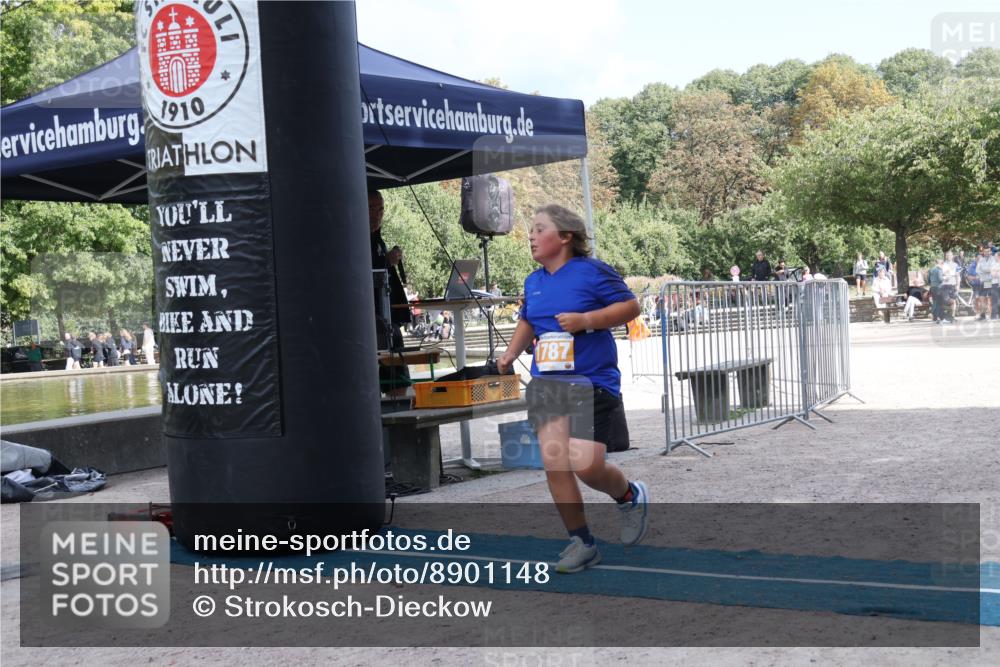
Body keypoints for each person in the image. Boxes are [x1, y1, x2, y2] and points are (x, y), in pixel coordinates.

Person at [496, 204, 648, 574]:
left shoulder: (591, 272)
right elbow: (528, 321)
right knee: (555, 465)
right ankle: (582, 541)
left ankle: (629, 496)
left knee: (586, 465)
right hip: (547, 384)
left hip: (591, 381)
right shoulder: (533, 282)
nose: (530, 236)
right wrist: (511, 353)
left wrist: (586, 320)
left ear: (565, 236)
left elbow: (631, 306)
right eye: (530, 230)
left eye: (539, 229)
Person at [369, 190, 412, 396]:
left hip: (388, 316)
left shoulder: (378, 239)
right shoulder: (354, 238)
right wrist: (386, 261)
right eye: (371, 208)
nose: (377, 214)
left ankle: (399, 406)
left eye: (381, 209)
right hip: (371, 319)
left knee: (398, 367)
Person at [974, 244, 995, 321]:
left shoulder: (993, 259)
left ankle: (989, 314)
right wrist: (985, 270)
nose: (987, 253)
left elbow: (991, 269)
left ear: (990, 252)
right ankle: (983, 314)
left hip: (990, 281)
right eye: (985, 251)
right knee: (982, 298)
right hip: (983, 281)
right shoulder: (981, 259)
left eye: (988, 251)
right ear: (983, 252)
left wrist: (984, 270)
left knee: (989, 298)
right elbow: (977, 270)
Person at [941, 251, 959, 322]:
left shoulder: (955, 264)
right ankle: (946, 317)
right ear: (946, 256)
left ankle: (952, 316)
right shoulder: (943, 264)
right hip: (945, 285)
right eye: (947, 255)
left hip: (953, 285)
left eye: (950, 255)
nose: (949, 257)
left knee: (954, 301)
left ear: (952, 256)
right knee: (946, 302)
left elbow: (957, 275)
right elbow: (940, 275)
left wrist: (958, 285)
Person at [928, 258, 944, 323]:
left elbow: (928, 280)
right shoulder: (939, 270)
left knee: (935, 302)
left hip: (932, 287)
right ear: (940, 263)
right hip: (938, 287)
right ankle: (936, 316)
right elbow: (940, 279)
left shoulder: (931, 269)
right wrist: (945, 278)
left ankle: (935, 317)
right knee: (939, 303)